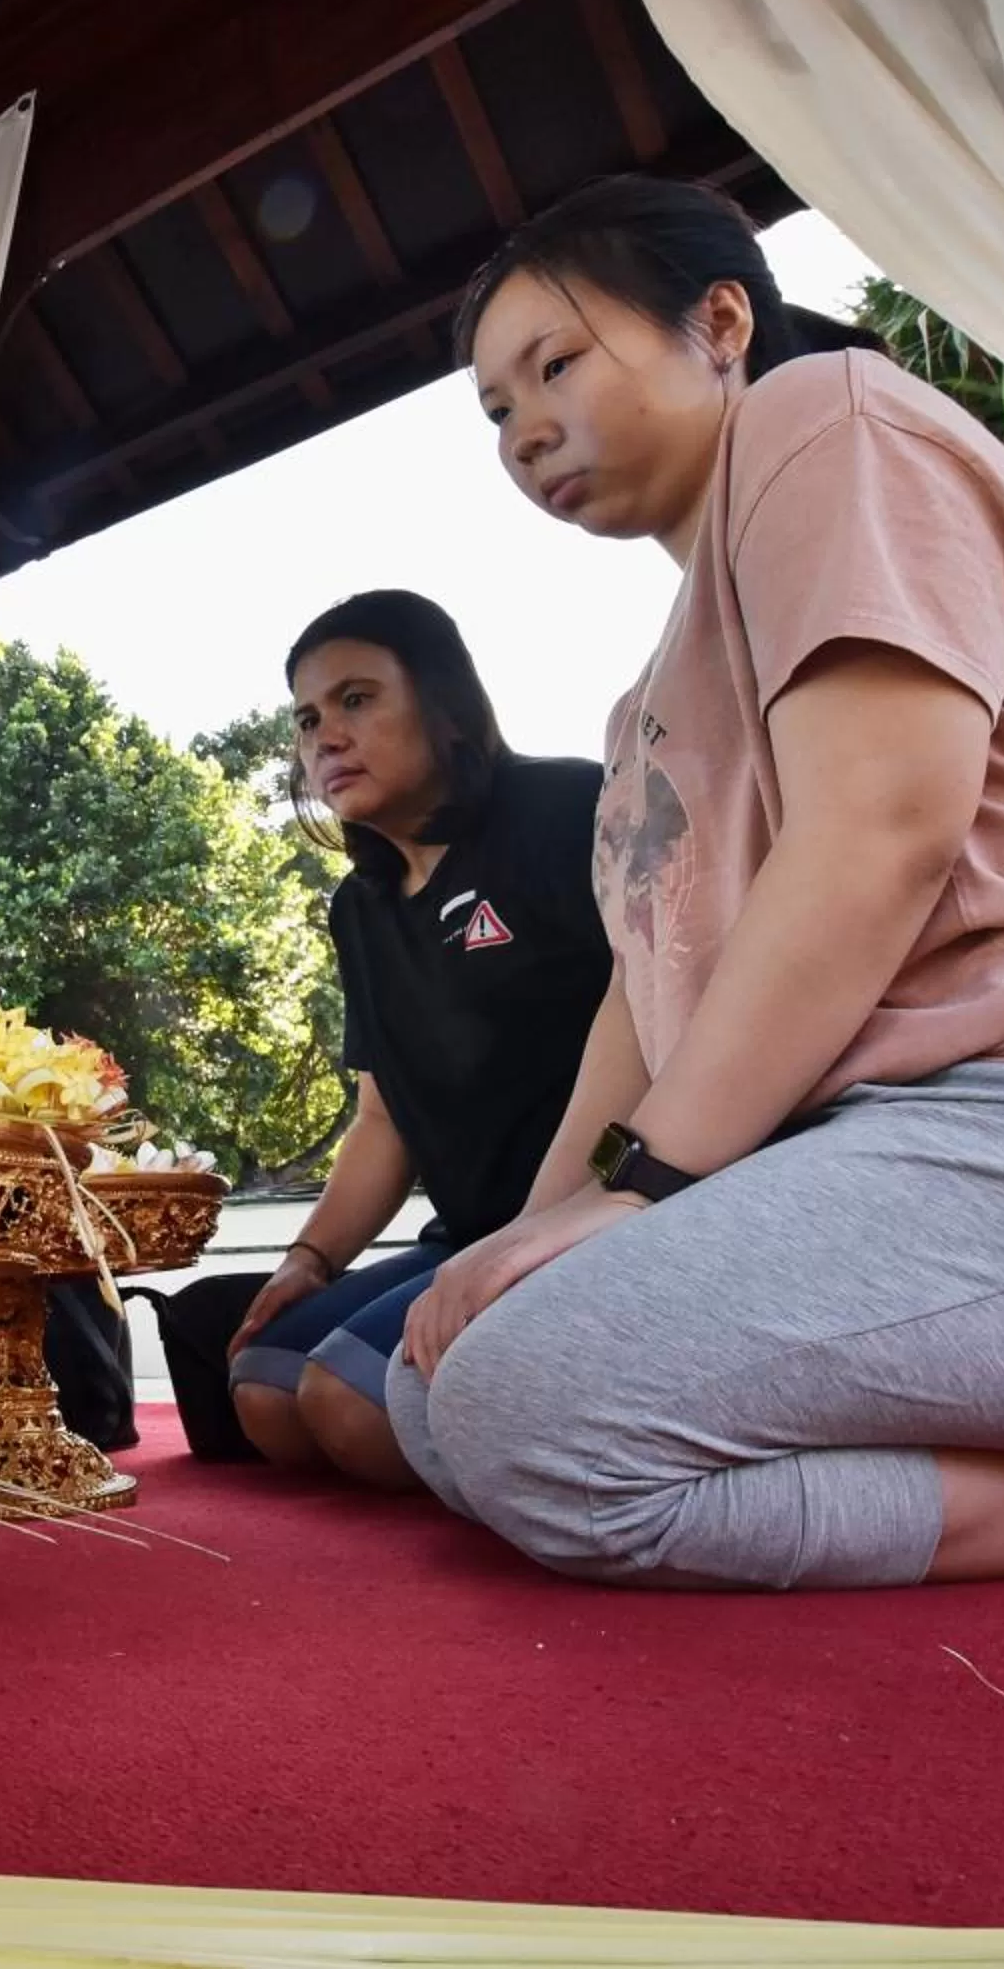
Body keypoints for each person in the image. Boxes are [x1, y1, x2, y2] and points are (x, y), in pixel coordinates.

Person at [387, 174, 1004, 1590]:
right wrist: (528, 1238)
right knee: (444, 1384)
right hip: (943, 1149)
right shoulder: (647, 703)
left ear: (719, 321)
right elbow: (641, 1002)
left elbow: (882, 829)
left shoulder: (824, 417)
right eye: (493, 409)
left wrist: (647, 1190)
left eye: (556, 363)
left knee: (531, 1416)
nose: (525, 426)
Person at [221, 594, 606, 1489]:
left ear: (445, 703)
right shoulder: (359, 908)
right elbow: (383, 1122)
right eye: (309, 717)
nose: (325, 737)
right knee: (265, 1390)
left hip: (601, 1216)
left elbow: (660, 1015)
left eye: (357, 699)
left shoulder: (567, 805)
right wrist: (307, 1261)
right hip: (463, 1234)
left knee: (347, 1404)